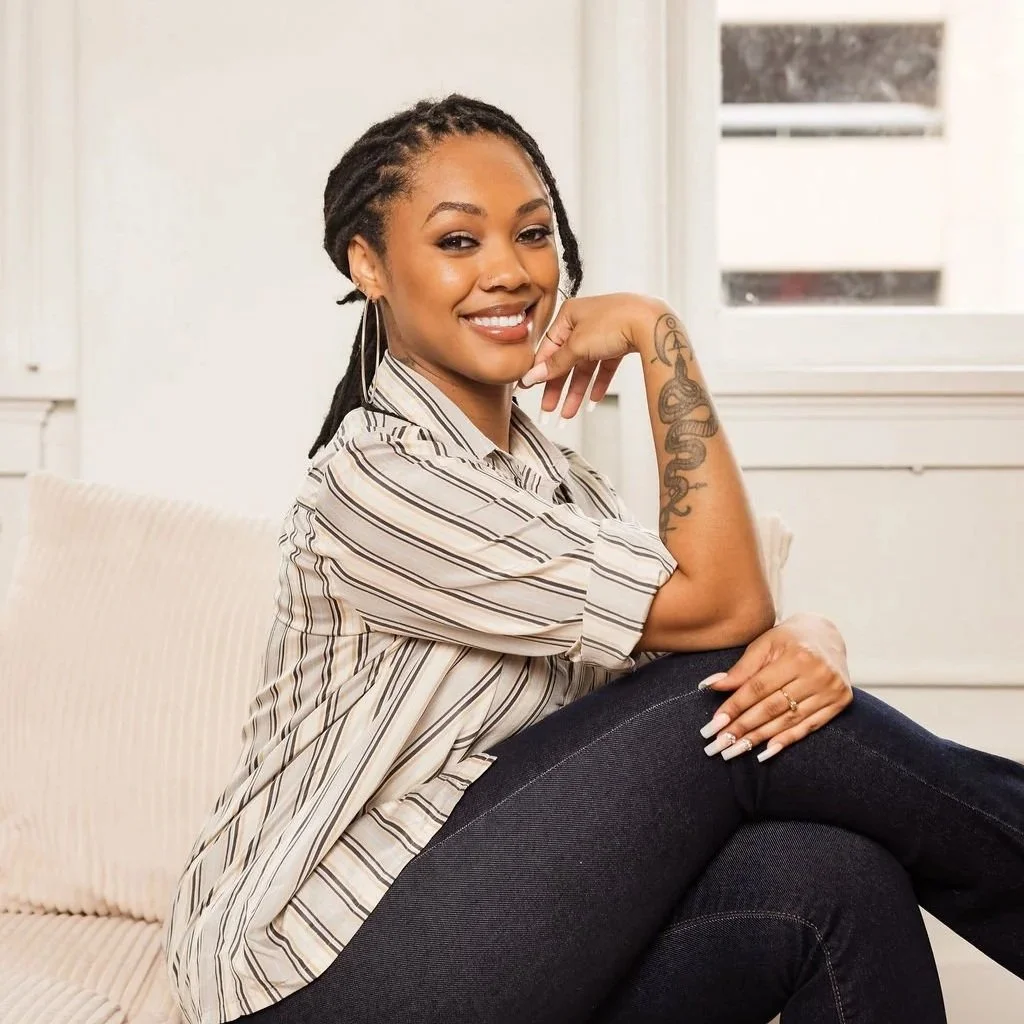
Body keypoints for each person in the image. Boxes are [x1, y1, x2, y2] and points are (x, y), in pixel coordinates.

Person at [163, 94, 1024, 1024]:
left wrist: (816, 633)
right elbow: (722, 626)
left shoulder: (554, 488)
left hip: (487, 926)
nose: (507, 271)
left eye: (532, 234)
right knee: (723, 698)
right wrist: (660, 337)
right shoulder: (377, 480)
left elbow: (727, 650)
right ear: (368, 265)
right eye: (458, 242)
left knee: (833, 881)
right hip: (311, 978)